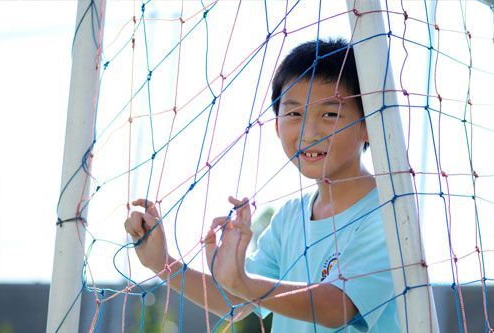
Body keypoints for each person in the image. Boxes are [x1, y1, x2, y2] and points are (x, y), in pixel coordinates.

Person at [124, 38, 400, 332]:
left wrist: (244, 282)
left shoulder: (391, 213)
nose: (308, 133)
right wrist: (163, 264)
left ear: (369, 125)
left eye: (330, 114)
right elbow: (236, 300)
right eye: (294, 113)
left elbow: (337, 306)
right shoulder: (289, 218)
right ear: (277, 125)